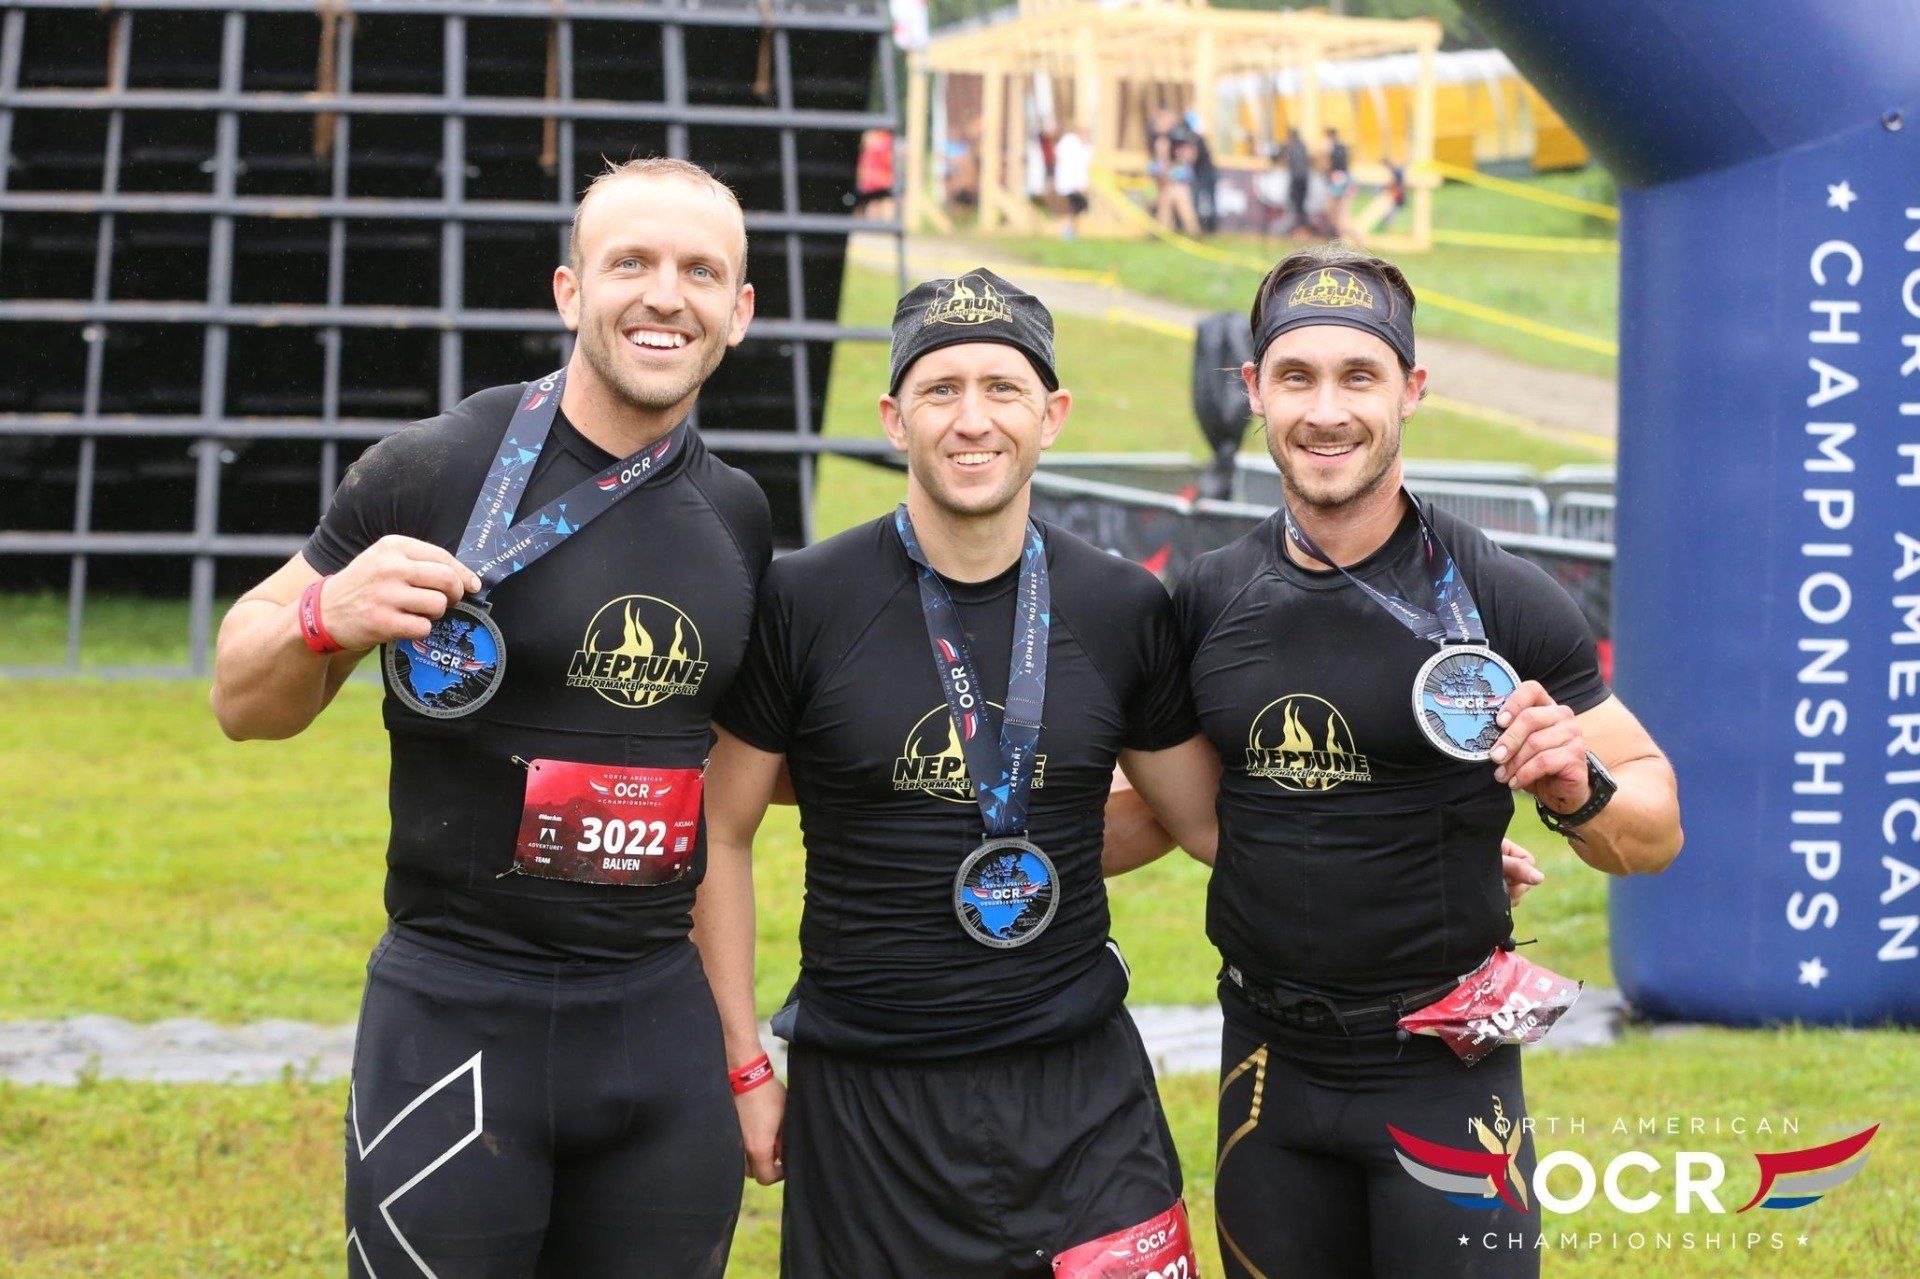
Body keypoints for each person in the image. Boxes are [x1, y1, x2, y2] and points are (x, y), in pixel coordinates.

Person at [209, 157, 774, 1277]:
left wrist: (741, 1052)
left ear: (739, 312)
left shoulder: (739, 516)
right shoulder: (433, 468)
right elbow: (240, 695)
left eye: (699, 270)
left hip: (657, 1034)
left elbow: (718, 812)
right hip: (457, 1023)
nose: (666, 295)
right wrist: (327, 614)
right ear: (571, 292)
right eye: (632, 264)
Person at [1150, 244, 1683, 1277]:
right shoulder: (1204, 600)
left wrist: (1578, 787)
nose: (1326, 410)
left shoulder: (1500, 595)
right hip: (1269, 1066)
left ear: (1413, 388)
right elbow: (1174, 808)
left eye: (1360, 376)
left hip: (1445, 1071)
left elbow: (1654, 828)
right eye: (1296, 377)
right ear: (1254, 391)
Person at [697, 268, 1227, 1278]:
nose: (971, 420)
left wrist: (1428, 837)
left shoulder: (1121, 607)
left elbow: (1201, 821)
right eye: (941, 390)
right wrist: (743, 1063)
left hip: (1082, 1094)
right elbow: (719, 829)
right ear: (895, 417)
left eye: (1002, 388)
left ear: (1052, 414)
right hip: (868, 1107)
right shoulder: (805, 602)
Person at [1052, 120, 1092, 239]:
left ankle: (1069, 231)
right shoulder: (1070, 143)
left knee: (1076, 208)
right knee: (1072, 207)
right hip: (1069, 183)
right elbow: (1073, 164)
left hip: (1072, 183)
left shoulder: (1081, 145)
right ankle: (1067, 231)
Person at [1324, 126, 1353, 239]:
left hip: (1338, 180)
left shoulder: (1334, 149)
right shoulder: (1341, 148)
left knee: (1338, 217)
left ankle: (1357, 240)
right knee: (1338, 217)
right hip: (1342, 180)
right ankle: (1341, 239)